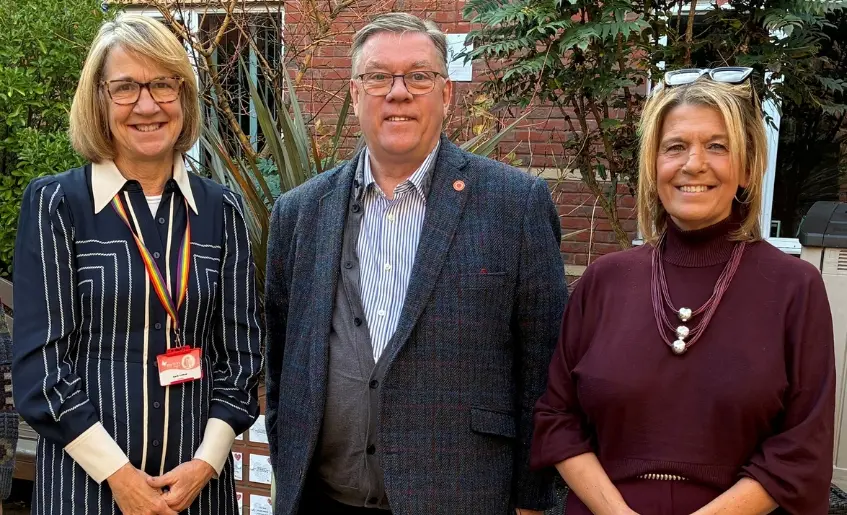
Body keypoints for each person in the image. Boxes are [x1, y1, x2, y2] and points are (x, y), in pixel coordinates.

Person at [264, 12, 567, 515]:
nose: (397, 92)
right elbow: (282, 359)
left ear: (446, 95)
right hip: (322, 499)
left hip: (463, 497)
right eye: (378, 76)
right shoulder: (299, 212)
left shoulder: (516, 203)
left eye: (418, 76)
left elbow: (544, 363)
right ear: (356, 94)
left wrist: (533, 500)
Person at [530, 67, 836, 515]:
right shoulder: (604, 281)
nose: (694, 164)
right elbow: (556, 420)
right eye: (675, 147)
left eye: (717, 146)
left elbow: (802, 448)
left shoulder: (794, 287)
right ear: (654, 166)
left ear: (748, 168)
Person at [11, 14, 262, 515]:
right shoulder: (56, 204)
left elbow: (242, 358)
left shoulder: (222, 210)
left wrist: (206, 465)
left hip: (198, 491)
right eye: (125, 87)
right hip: (87, 491)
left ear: (184, 97)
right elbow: (41, 369)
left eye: (163, 85)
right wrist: (120, 477)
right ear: (99, 100)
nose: (147, 105)